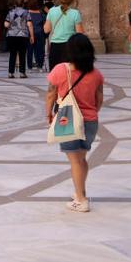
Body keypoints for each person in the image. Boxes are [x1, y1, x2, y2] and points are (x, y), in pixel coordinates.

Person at [45, 34, 105, 213]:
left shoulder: (60, 70)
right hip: (91, 121)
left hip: (68, 119)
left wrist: (48, 113)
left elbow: (51, 94)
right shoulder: (96, 74)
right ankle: (81, 191)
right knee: (81, 158)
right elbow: (99, 99)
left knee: (75, 160)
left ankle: (81, 199)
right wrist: (91, 113)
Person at [44, 0, 84, 71]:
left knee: (55, 73)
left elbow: (46, 30)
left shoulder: (51, 11)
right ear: (72, 0)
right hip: (70, 46)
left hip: (55, 46)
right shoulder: (75, 13)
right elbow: (80, 33)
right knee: (69, 73)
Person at [4, 0, 33, 78]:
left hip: (12, 35)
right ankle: (22, 73)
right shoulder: (26, 12)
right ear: (23, 4)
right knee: (22, 54)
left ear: (15, 4)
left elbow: (6, 24)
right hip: (23, 35)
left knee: (12, 54)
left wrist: (11, 25)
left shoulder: (10, 12)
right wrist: (32, 36)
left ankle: (11, 72)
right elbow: (29, 24)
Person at [26, 0, 46, 72]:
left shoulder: (27, 13)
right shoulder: (41, 13)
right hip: (40, 33)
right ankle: (40, 66)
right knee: (40, 50)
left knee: (30, 50)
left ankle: (30, 67)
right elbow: (44, 23)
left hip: (29, 33)